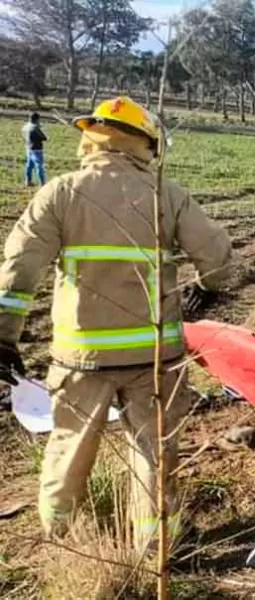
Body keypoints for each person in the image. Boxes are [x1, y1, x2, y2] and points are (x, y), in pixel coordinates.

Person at [0, 96, 233, 550]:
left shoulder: (61, 193)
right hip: (154, 358)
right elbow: (217, 259)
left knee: (68, 448)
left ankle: (61, 539)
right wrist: (208, 286)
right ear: (147, 142)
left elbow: (18, 271)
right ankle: (155, 546)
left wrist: (4, 336)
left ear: (91, 137)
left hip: (81, 358)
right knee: (153, 450)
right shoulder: (167, 193)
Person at [22, 112, 48, 187]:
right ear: (37, 119)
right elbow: (44, 138)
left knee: (29, 166)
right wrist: (41, 128)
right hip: (37, 149)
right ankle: (42, 183)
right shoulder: (35, 128)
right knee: (39, 166)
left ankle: (28, 181)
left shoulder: (25, 127)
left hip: (28, 148)